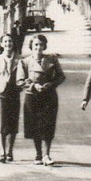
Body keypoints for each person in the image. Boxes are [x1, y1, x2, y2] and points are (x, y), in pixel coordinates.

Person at [16, 33, 65, 166]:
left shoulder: (52, 59)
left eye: (41, 44)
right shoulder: (24, 61)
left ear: (44, 46)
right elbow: (19, 81)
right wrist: (33, 85)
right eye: (36, 44)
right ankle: (38, 154)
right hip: (32, 97)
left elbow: (61, 76)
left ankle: (47, 155)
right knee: (35, 125)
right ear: (31, 46)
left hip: (49, 96)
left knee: (48, 125)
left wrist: (51, 84)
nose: (38, 47)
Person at [0, 34, 23, 162]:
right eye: (5, 42)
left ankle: (10, 151)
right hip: (0, 95)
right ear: (2, 44)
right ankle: (2, 152)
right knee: (1, 124)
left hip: (14, 95)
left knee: (13, 125)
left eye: (10, 41)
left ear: (13, 43)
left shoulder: (20, 60)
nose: (8, 44)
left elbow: (24, 78)